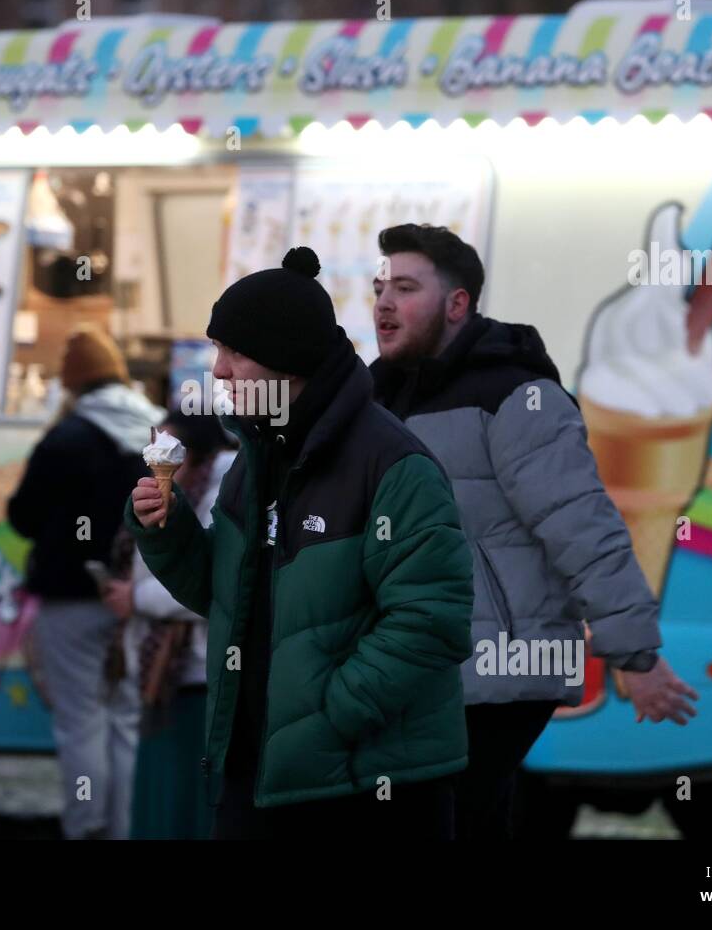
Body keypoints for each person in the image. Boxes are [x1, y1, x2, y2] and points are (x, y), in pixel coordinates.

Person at [128, 247, 474, 840]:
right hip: (261, 777)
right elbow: (226, 595)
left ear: (288, 361)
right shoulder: (256, 458)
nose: (218, 371)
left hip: (364, 791)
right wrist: (169, 531)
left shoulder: (392, 463)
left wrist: (331, 713)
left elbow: (430, 620)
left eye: (235, 352)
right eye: (217, 350)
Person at [368, 223, 700, 840]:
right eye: (380, 285)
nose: (384, 302)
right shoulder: (379, 398)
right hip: (423, 661)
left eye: (406, 287)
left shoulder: (517, 395)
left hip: (500, 662)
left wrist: (636, 653)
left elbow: (581, 525)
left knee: (450, 819)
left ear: (457, 304)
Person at [7, 324, 164, 839]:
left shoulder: (66, 437)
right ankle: (125, 827)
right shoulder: (157, 432)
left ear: (73, 384)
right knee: (124, 719)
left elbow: (24, 515)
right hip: (138, 598)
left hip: (70, 600)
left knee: (80, 719)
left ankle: (87, 827)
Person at [102, 410, 234, 840]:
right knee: (160, 792)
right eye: (156, 450)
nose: (160, 459)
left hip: (200, 671)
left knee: (189, 797)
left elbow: (212, 580)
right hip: (161, 674)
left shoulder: (225, 484)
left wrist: (136, 598)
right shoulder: (173, 488)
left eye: (172, 450)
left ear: (198, 451)